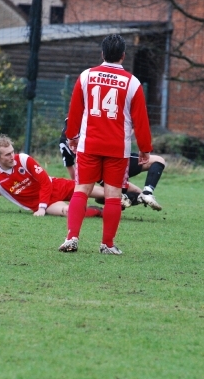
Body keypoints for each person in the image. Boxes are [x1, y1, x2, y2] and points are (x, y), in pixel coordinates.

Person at [59, 34, 153, 255]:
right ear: (123, 55)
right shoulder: (132, 82)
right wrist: (145, 149)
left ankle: (71, 237)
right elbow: (141, 120)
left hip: (89, 145)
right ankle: (107, 245)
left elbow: (74, 111)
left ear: (102, 54)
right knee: (112, 195)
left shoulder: (86, 76)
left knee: (81, 190)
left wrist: (72, 136)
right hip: (117, 148)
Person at [0, 135, 104, 217]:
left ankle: (123, 198)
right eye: (7, 154)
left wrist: (41, 208)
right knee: (69, 212)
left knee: (102, 191)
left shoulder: (23, 159)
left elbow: (45, 181)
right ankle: (98, 211)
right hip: (48, 204)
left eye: (12, 152)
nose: (12, 156)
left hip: (55, 187)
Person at [59, 117, 165, 210]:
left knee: (135, 192)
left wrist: (79, 194)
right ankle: (146, 193)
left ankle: (121, 198)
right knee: (158, 160)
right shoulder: (92, 121)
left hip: (97, 173)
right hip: (114, 161)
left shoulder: (63, 140)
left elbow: (71, 169)